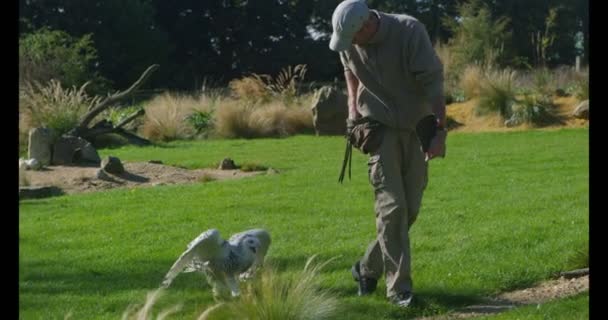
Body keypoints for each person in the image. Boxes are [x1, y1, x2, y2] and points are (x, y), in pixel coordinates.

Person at [329, 0, 447, 307]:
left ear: (368, 26)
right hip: (379, 129)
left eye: (354, 37)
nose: (350, 45)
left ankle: (366, 268)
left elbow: (433, 84)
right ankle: (399, 292)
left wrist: (439, 132)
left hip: (417, 125)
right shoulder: (347, 39)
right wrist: (352, 113)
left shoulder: (409, 32)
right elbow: (350, 73)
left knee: (410, 209)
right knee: (392, 208)